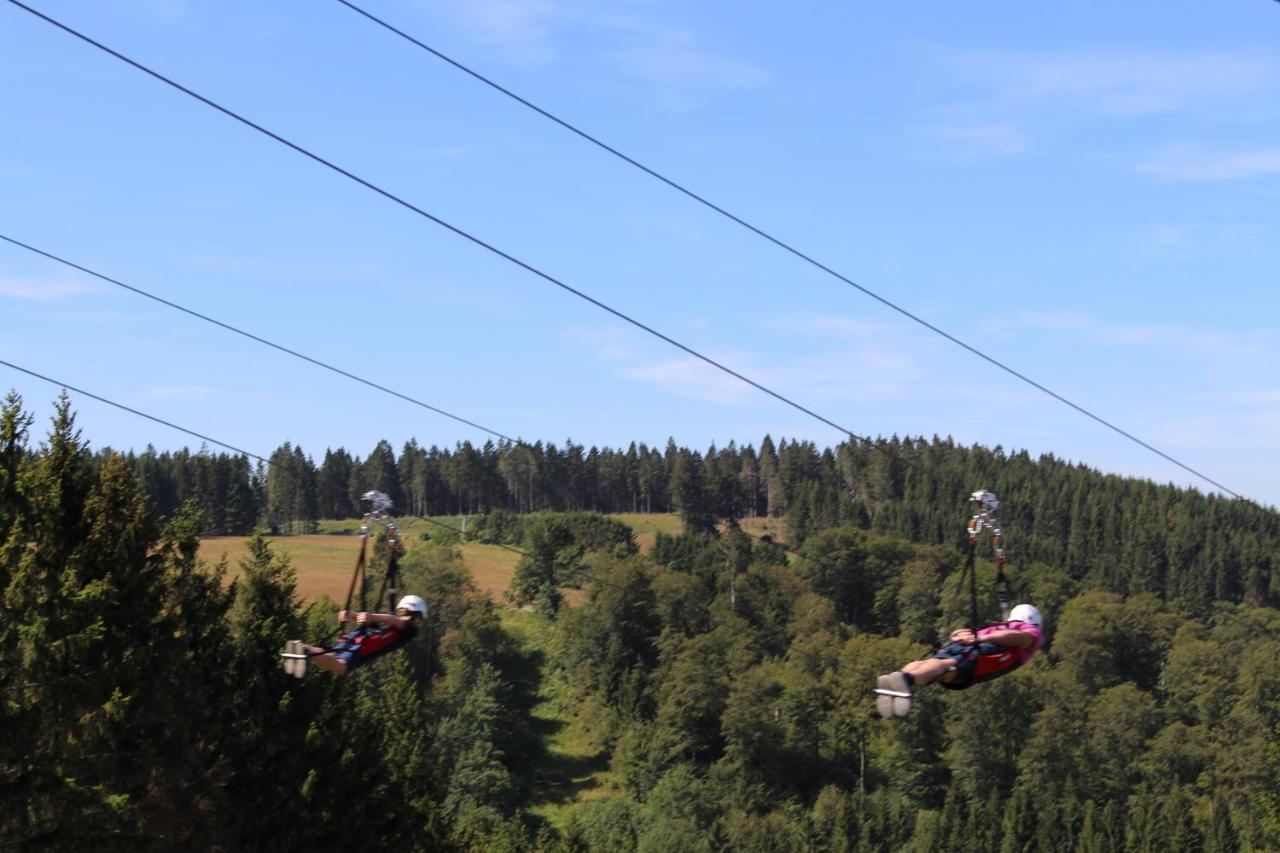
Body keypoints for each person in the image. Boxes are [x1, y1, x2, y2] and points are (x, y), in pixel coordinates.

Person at [875, 603, 1044, 717]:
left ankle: (900, 675)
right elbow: (1018, 638)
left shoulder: (996, 626)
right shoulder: (1031, 632)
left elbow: (962, 634)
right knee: (946, 666)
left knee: (931, 662)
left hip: (967, 645)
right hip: (981, 655)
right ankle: (906, 679)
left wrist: (960, 635)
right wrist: (982, 639)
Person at [302, 594, 427, 676]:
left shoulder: (390, 624)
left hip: (355, 641)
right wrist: (359, 616)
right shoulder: (411, 629)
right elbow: (392, 620)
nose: (420, 623)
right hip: (362, 648)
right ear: (418, 616)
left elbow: (382, 620)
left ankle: (305, 649)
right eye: (421, 619)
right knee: (341, 667)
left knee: (332, 657)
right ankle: (306, 650)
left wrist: (352, 615)